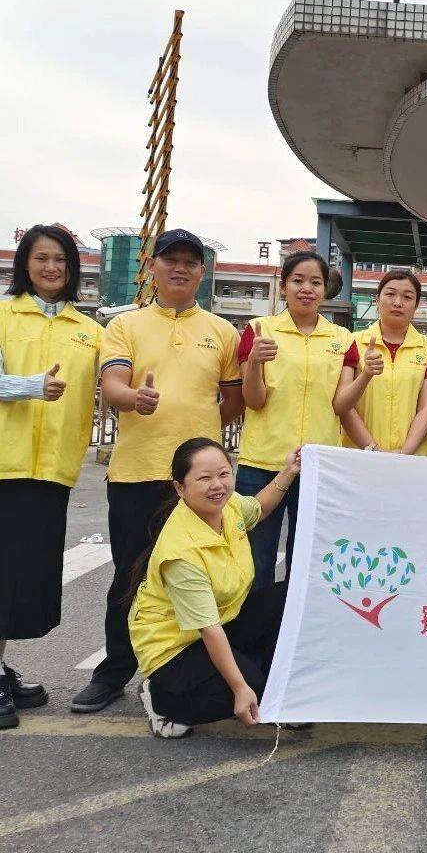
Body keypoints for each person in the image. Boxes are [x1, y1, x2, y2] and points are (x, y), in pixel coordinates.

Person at [72, 229, 245, 715]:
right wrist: (136, 400)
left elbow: (231, 400)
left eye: (191, 262)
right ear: (152, 268)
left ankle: (195, 671)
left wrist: (200, 431)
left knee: (206, 577)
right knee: (132, 575)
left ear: (201, 272)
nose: (181, 269)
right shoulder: (125, 326)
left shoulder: (223, 332)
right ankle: (114, 673)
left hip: (201, 484)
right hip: (137, 472)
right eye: (171, 260)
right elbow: (112, 387)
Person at [0, 225, 103, 730]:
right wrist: (30, 386)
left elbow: (113, 380)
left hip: (54, 470)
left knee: (23, 581)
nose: (51, 268)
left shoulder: (88, 329)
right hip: (5, 463)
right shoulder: (2, 313)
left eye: (60, 259)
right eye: (41, 258)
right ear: (25, 263)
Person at [128, 438, 300, 737]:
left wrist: (289, 471)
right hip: (175, 648)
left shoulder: (228, 506)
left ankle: (267, 684)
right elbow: (208, 629)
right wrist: (240, 687)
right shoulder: (181, 552)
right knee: (248, 690)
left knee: (289, 597)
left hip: (221, 621)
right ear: (180, 488)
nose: (217, 485)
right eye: (204, 478)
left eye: (223, 474)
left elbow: (258, 508)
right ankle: (159, 697)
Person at [236, 251, 355, 589]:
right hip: (262, 463)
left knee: (306, 562)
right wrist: (256, 362)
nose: (307, 288)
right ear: (284, 285)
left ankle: (291, 639)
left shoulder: (342, 339)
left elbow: (339, 405)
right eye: (298, 281)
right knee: (255, 563)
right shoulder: (259, 330)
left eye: (315, 282)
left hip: (319, 464)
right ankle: (254, 641)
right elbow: (253, 400)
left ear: (325, 289)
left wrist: (366, 377)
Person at [339, 269, 427, 456]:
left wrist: (403, 453)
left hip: (414, 459)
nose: (398, 302)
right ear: (377, 300)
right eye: (390, 294)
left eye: (407, 297)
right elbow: (344, 405)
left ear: (416, 304)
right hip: (359, 456)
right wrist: (372, 448)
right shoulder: (351, 342)